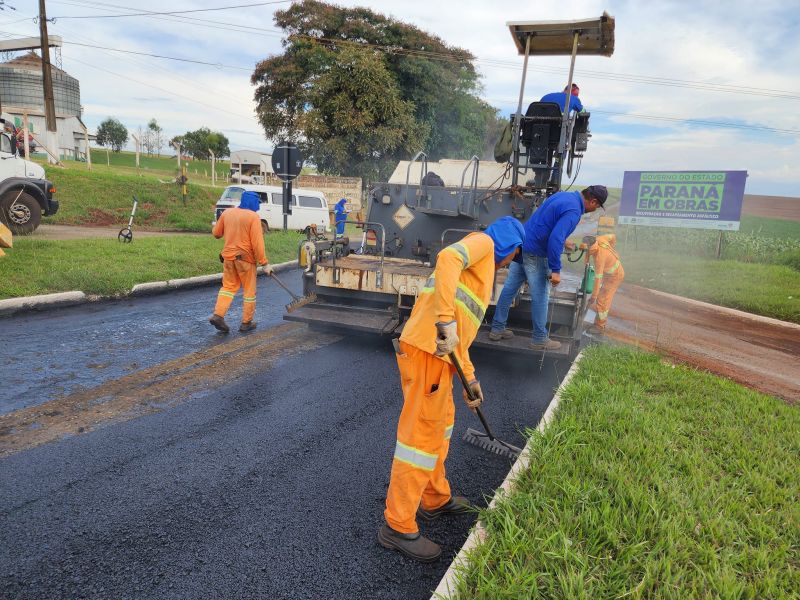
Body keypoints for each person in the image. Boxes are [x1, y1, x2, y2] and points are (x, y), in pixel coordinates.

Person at [378, 216, 525, 562]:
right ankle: (397, 525)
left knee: (440, 429)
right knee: (419, 440)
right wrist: (444, 319)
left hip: (440, 356)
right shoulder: (485, 245)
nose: (510, 263)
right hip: (428, 351)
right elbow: (447, 258)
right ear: (509, 244)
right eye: (514, 255)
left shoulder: (482, 270)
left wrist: (469, 379)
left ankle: (434, 498)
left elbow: (459, 336)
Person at [489, 185, 607, 350]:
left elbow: (544, 223)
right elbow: (555, 238)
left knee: (509, 289)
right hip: (536, 253)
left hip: (522, 244)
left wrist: (564, 242)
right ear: (593, 201)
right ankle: (539, 338)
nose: (594, 210)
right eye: (597, 206)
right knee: (541, 296)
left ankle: (497, 328)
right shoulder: (574, 211)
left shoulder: (562, 196)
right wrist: (556, 270)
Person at [209, 191, 271, 333]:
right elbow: (257, 243)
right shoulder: (253, 217)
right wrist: (264, 263)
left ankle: (218, 315)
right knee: (249, 291)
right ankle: (246, 322)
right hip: (245, 260)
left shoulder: (227, 213)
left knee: (228, 288)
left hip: (228, 258)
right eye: (257, 203)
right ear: (253, 202)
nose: (258, 207)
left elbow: (216, 233)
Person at [587, 234, 624, 335]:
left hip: (614, 276)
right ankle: (597, 322)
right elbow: (613, 236)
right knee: (601, 296)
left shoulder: (600, 257)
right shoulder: (600, 239)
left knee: (602, 299)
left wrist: (594, 296)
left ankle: (600, 326)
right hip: (610, 274)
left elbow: (598, 279)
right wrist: (612, 248)